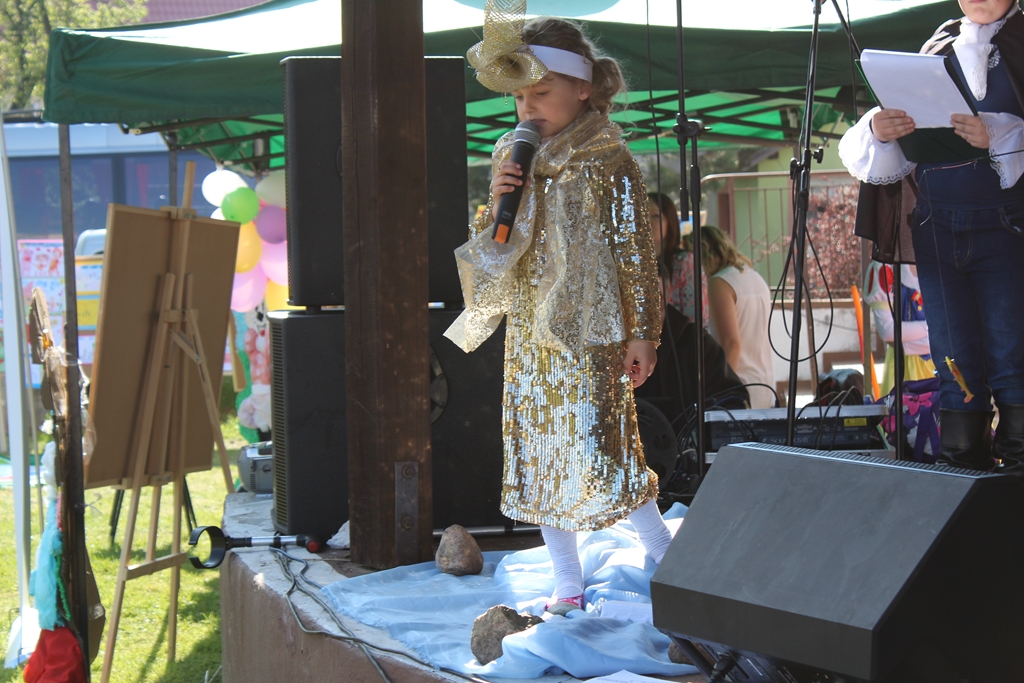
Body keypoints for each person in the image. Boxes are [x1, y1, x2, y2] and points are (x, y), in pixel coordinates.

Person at [445, 8, 673, 615]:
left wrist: (643, 332)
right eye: (519, 97)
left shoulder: (608, 158)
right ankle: (566, 581)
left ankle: (666, 557)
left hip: (593, 330)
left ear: (583, 87)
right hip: (531, 329)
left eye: (541, 93)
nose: (528, 108)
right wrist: (496, 204)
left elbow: (635, 252)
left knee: (606, 446)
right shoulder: (511, 153)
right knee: (539, 450)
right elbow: (495, 246)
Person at [838, 0, 1024, 476]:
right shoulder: (937, 47)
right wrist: (881, 128)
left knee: (1012, 358)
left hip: (1008, 225)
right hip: (937, 226)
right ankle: (964, 479)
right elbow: (899, 139)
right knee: (953, 363)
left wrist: (1001, 134)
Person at [697, 225, 775, 409]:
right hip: (765, 382)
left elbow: (731, 344)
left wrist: (719, 389)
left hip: (739, 386)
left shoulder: (719, 283)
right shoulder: (753, 276)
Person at [862, 262, 935, 395]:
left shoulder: (945, 260)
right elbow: (888, 332)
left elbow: (958, 332)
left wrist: (906, 338)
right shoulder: (885, 267)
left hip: (945, 365)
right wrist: (935, 327)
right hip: (903, 366)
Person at [649, 192, 708, 327]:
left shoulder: (684, 261)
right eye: (641, 215)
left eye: (655, 216)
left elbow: (697, 317)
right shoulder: (633, 264)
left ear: (669, 221)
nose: (647, 221)